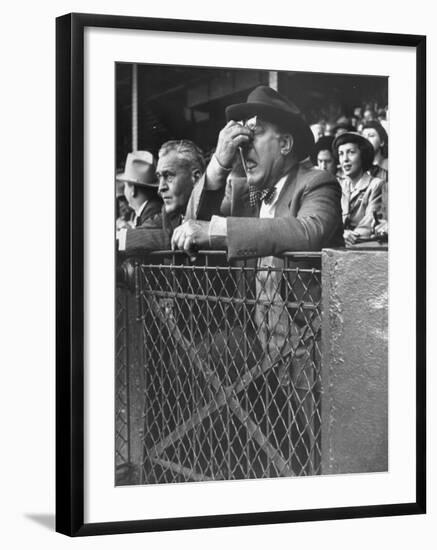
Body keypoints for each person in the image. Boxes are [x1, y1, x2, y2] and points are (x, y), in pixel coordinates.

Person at [173, 86, 344, 474]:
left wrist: (217, 232)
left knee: (317, 453)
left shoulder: (316, 182)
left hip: (310, 351)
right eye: (241, 135)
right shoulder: (249, 192)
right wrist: (217, 163)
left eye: (256, 134)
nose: (243, 145)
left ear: (285, 143)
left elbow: (310, 229)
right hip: (263, 348)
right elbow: (193, 218)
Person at [117, 140, 205, 253]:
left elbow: (171, 238)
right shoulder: (168, 213)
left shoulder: (213, 209)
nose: (160, 188)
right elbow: (153, 234)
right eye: (159, 177)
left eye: (168, 176)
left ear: (196, 178)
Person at [333, 132, 383, 246]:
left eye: (351, 152)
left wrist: (344, 237)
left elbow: (369, 224)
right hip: (338, 247)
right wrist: (341, 234)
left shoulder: (376, 185)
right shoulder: (338, 186)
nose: (345, 159)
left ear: (362, 155)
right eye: (341, 154)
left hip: (363, 247)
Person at [116, 150, 162, 229]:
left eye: (125, 186)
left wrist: (128, 232)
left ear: (133, 189)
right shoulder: (148, 210)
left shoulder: (152, 213)